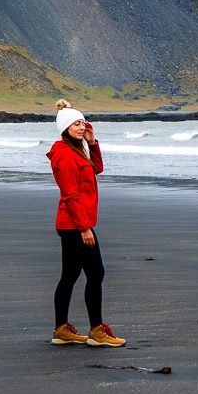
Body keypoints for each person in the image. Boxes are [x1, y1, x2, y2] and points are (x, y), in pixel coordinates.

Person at [48, 101, 126, 347]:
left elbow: (97, 169)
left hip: (74, 222)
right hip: (75, 225)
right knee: (96, 273)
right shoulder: (66, 156)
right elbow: (69, 195)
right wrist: (84, 228)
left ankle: (62, 329)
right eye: (76, 124)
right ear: (64, 127)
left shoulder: (75, 149)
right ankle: (98, 332)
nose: (81, 127)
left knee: (70, 276)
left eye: (82, 122)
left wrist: (92, 142)